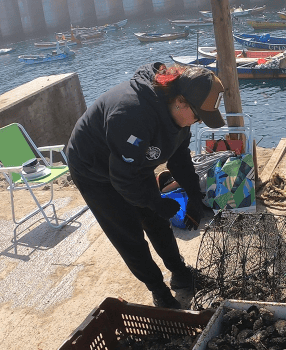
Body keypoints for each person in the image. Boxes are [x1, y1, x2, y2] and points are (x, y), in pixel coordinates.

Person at [65, 63, 226, 309]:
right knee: (129, 232)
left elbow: (179, 155)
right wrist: (155, 202)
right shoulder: (131, 115)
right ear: (180, 101)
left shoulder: (178, 113)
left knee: (156, 221)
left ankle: (180, 273)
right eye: (198, 116)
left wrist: (195, 195)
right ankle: (158, 290)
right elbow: (123, 179)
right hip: (95, 170)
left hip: (129, 162)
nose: (196, 122)